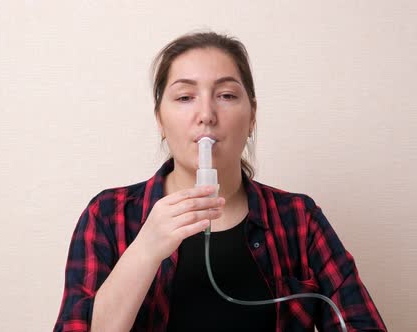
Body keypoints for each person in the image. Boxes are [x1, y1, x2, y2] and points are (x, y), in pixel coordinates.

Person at [53, 31, 387, 332]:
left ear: (252, 115)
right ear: (160, 119)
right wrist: (145, 250)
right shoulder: (109, 216)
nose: (207, 114)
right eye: (185, 97)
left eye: (226, 95)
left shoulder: (299, 217)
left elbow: (360, 322)